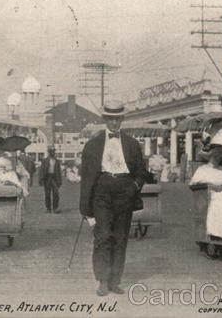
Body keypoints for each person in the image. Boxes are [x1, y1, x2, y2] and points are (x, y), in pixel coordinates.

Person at [80, 100, 146, 296]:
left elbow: (142, 172)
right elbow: (86, 176)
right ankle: (102, 280)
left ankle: (114, 281)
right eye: (110, 119)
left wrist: (134, 186)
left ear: (122, 120)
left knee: (120, 238)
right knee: (103, 236)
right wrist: (85, 207)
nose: (114, 123)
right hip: (102, 192)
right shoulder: (93, 145)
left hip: (125, 192)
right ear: (105, 120)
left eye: (117, 119)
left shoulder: (132, 144)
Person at [190, 145, 222, 257]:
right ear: (209, 157)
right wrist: (213, 187)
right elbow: (194, 185)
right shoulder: (202, 170)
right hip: (210, 195)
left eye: (219, 156)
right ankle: (220, 233)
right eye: (214, 156)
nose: (217, 158)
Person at [39, 146, 63, 213]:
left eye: (53, 152)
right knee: (47, 194)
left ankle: (55, 208)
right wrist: (41, 179)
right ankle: (48, 208)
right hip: (47, 178)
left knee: (56, 193)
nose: (53, 153)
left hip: (54, 178)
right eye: (51, 152)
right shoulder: (45, 160)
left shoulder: (57, 161)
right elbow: (41, 170)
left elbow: (59, 171)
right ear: (49, 152)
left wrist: (60, 181)